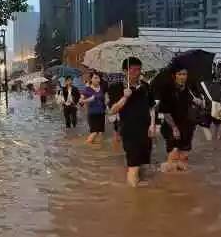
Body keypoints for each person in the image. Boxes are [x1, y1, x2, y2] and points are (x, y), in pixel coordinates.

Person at [110, 57, 156, 187]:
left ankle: (144, 199)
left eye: (139, 69)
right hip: (129, 131)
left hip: (146, 130)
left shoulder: (146, 86)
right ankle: (132, 196)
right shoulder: (117, 87)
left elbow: (151, 107)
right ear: (125, 71)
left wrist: (152, 125)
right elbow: (112, 110)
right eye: (134, 70)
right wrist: (124, 97)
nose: (137, 72)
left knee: (145, 166)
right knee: (133, 166)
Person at [159, 62, 203, 172]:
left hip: (187, 126)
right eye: (180, 74)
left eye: (184, 74)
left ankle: (183, 185)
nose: (182, 77)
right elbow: (166, 112)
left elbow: (200, 103)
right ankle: (168, 182)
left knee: (184, 158)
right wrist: (174, 128)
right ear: (174, 75)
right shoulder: (167, 90)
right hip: (171, 126)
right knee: (173, 157)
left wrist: (199, 101)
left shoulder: (190, 88)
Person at [201, 73, 221, 140]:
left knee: (206, 128)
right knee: (218, 126)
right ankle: (217, 140)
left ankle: (211, 141)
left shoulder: (202, 84)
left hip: (207, 109)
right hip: (217, 107)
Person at [81, 72, 107, 144]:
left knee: (101, 132)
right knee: (94, 132)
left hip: (101, 113)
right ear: (91, 79)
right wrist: (89, 99)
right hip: (92, 114)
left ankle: (98, 149)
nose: (97, 80)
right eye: (95, 78)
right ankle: (85, 147)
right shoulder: (87, 89)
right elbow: (81, 101)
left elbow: (104, 99)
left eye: (98, 78)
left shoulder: (102, 88)